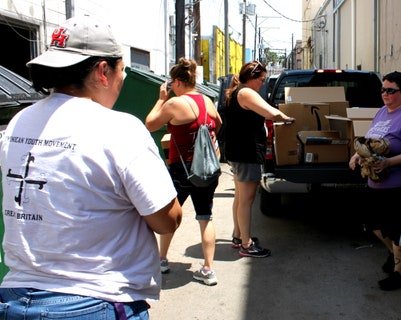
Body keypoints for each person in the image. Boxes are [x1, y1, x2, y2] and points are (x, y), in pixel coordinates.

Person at [0, 15, 182, 319]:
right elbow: (167, 221)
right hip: (95, 301)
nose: (123, 80)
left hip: (15, 299)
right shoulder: (119, 128)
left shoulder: (20, 121)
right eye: (122, 70)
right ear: (103, 71)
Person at [145, 57, 222, 285]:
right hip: (207, 168)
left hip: (182, 168)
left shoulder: (174, 104)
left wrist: (161, 100)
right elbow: (217, 122)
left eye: (172, 83)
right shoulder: (207, 100)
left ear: (177, 82)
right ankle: (208, 270)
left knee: (170, 215)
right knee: (205, 216)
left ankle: (161, 260)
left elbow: (150, 124)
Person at [349, 71, 401, 291]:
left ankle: (399, 274)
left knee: (398, 233)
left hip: (399, 186)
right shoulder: (382, 112)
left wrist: (389, 163)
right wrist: (357, 155)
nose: (385, 94)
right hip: (375, 184)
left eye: (390, 90)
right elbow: (369, 139)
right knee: (374, 226)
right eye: (383, 89)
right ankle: (393, 254)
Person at [224, 61, 295, 258]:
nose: (263, 84)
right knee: (247, 199)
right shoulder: (246, 93)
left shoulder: (238, 92)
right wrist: (290, 118)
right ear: (252, 77)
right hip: (246, 152)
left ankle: (239, 237)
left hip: (238, 152)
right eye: (261, 80)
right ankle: (246, 245)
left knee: (240, 197)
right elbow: (271, 113)